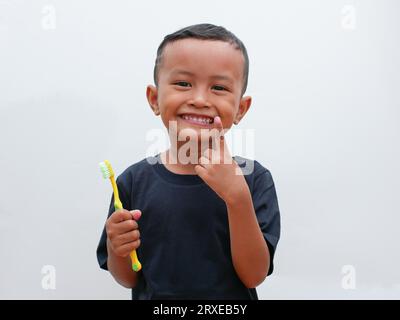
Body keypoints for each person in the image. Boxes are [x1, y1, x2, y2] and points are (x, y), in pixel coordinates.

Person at [96, 23, 281, 299]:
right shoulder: (132, 182)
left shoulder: (255, 179)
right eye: (183, 83)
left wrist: (238, 199)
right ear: (154, 98)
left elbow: (254, 275)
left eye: (218, 87)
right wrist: (117, 247)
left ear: (240, 109)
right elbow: (127, 278)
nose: (198, 99)